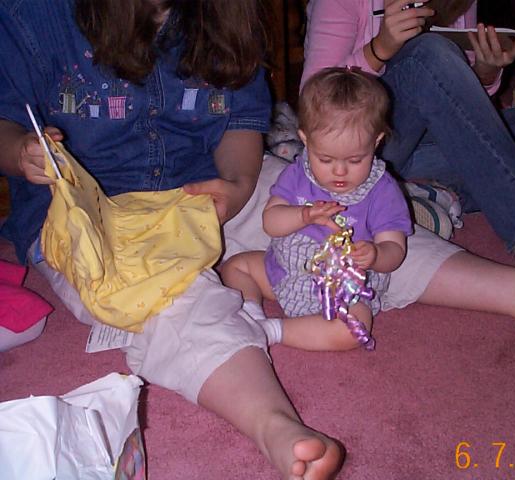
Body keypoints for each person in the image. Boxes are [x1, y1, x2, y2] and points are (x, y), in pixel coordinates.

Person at [0, 1, 342, 478]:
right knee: (164, 298)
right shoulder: (31, 13)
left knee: (329, 205)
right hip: (92, 211)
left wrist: (239, 186)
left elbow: (240, 120)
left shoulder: (227, 11)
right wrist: (21, 151)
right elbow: (5, 119)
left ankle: (460, 279)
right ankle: (273, 424)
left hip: (201, 182)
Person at [301, 0, 515, 272]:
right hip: (369, 146)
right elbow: (313, 98)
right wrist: (378, 50)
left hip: (441, 143)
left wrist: (486, 69)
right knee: (426, 52)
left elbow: (457, 99)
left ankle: (428, 196)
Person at [221, 67, 413, 351]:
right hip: (284, 272)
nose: (339, 171)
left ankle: (272, 330)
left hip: (342, 292)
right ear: (305, 139)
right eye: (325, 159)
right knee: (235, 266)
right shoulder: (298, 173)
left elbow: (395, 250)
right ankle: (252, 314)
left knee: (356, 327)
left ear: (376, 142)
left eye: (355, 160)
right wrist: (304, 215)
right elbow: (271, 222)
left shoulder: (382, 190)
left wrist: (375, 255)